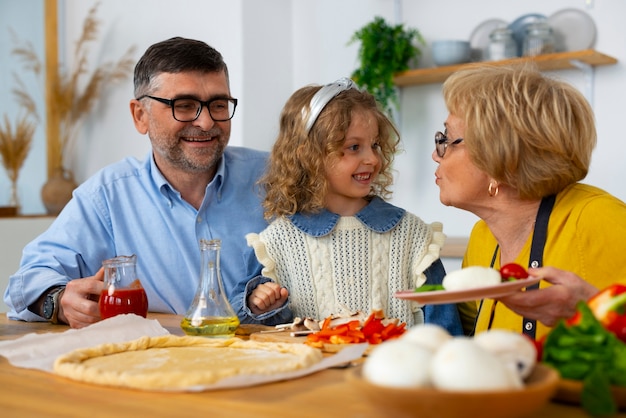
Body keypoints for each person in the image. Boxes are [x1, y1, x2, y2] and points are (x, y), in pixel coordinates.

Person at [4, 37, 280, 328]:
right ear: (140, 116)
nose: (207, 122)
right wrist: (58, 301)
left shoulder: (276, 176)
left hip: (276, 361)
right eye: (184, 106)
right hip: (157, 364)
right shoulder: (107, 198)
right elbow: (26, 283)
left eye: (218, 104)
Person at [236, 78, 463, 335]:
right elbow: (246, 326)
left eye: (375, 144)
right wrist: (259, 305)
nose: (372, 158)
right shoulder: (275, 244)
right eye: (354, 147)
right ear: (308, 156)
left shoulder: (413, 237)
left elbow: (446, 332)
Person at [432, 63, 626, 338]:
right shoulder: (483, 237)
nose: (436, 155)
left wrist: (592, 313)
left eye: (447, 140)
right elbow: (461, 338)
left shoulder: (598, 220)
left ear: (500, 159)